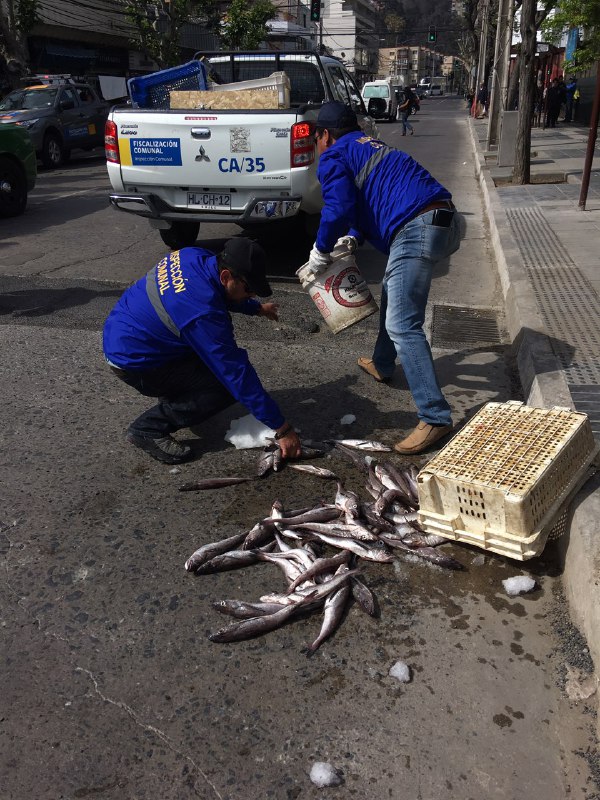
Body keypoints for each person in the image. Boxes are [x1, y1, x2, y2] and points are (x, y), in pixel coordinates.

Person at [306, 101, 460, 455]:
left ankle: (435, 417)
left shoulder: (333, 156)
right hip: (445, 222)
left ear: (325, 135)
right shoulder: (371, 145)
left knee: (404, 324)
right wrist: (355, 237)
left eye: (316, 136)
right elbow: (369, 199)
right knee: (394, 289)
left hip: (416, 228)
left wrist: (321, 248)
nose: (317, 143)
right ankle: (382, 362)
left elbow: (338, 207)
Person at [103, 238, 301, 464]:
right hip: (136, 363)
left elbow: (216, 291)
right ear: (226, 276)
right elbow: (236, 374)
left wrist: (255, 308)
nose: (252, 294)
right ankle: (148, 428)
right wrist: (282, 429)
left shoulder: (193, 256)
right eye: (249, 288)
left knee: (209, 359)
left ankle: (177, 394)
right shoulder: (202, 315)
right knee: (225, 386)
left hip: (126, 334)